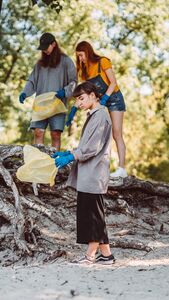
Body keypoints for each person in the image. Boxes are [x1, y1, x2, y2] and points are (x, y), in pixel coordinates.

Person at [53, 81, 115, 265]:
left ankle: (89, 256)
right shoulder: (94, 115)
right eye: (77, 100)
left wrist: (71, 157)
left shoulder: (101, 116)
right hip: (89, 174)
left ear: (93, 95)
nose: (78, 103)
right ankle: (106, 255)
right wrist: (68, 152)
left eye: (81, 98)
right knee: (94, 214)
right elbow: (85, 145)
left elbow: (91, 148)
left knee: (92, 216)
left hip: (94, 174)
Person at [67, 41, 127, 178]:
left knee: (116, 134)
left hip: (114, 99)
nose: (80, 59)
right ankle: (101, 169)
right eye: (78, 56)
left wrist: (105, 98)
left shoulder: (103, 62)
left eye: (81, 55)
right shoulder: (84, 71)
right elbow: (85, 93)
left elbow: (113, 83)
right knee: (99, 136)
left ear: (87, 52)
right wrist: (74, 109)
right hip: (99, 101)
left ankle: (122, 169)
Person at [19, 33, 77, 150]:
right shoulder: (40, 64)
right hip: (41, 105)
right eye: (42, 48)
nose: (44, 50)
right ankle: (38, 161)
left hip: (57, 105)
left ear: (54, 44)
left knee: (55, 134)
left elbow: (74, 81)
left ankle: (54, 163)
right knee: (38, 132)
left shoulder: (66, 61)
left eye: (46, 47)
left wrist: (65, 92)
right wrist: (25, 92)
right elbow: (32, 80)